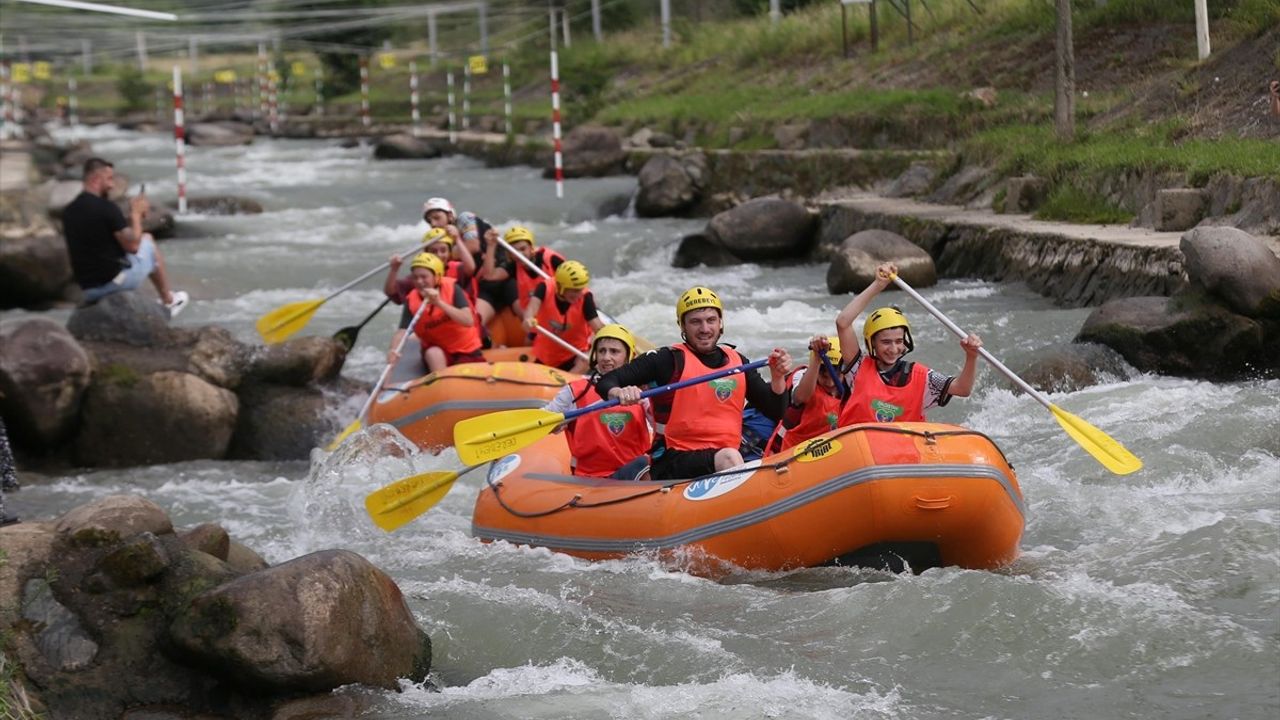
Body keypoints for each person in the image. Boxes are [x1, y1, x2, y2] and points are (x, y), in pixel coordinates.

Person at [595, 286, 792, 481]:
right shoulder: (665, 360)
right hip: (673, 459)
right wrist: (617, 392)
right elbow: (606, 381)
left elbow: (776, 412)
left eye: (711, 320)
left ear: (720, 323)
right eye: (695, 322)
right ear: (682, 326)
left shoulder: (738, 362)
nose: (705, 329)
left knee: (733, 456)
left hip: (724, 455)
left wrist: (777, 378)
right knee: (730, 458)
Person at [834, 263, 982, 426]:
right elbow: (843, 323)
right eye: (885, 342)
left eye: (898, 341)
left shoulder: (924, 377)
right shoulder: (857, 367)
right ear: (872, 343)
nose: (893, 349)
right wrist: (878, 285)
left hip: (903, 449)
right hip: (859, 446)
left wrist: (971, 356)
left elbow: (963, 389)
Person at [62, 157, 187, 316]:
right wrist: (135, 214)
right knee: (147, 240)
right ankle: (169, 300)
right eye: (109, 179)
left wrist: (132, 219)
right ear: (95, 178)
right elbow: (133, 246)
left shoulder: (69, 211)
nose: (112, 185)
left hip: (88, 289)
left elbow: (104, 237)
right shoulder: (106, 207)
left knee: (135, 243)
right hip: (113, 284)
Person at [542, 324, 652, 479]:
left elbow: (663, 427)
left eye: (614, 351)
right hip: (591, 480)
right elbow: (544, 419)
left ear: (629, 357)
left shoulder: (641, 391)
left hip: (633, 474)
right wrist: (552, 424)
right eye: (602, 351)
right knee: (643, 464)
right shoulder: (576, 391)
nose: (606, 357)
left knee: (650, 462)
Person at [422, 196, 515, 327]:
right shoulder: (443, 241)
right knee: (473, 321)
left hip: (502, 274)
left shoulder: (465, 218)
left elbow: (473, 246)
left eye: (437, 218)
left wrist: (445, 253)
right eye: (429, 221)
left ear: (449, 216)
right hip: (482, 286)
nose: (433, 224)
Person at [387, 253, 484, 372]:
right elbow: (402, 331)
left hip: (465, 348)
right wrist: (393, 350)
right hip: (438, 350)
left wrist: (439, 303)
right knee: (433, 353)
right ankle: (442, 384)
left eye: (424, 277)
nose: (419, 281)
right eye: (415, 277)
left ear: (437, 277)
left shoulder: (453, 288)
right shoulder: (411, 299)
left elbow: (468, 320)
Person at [523, 259, 604, 374]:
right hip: (547, 353)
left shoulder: (585, 298)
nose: (578, 294)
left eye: (580, 289)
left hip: (575, 353)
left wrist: (596, 349)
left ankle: (566, 388)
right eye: (574, 290)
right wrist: (528, 319)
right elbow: (531, 309)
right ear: (560, 287)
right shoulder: (544, 288)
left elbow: (598, 327)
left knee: (584, 362)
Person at [769, 335, 848, 452]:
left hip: (827, 451)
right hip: (790, 452)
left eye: (835, 376)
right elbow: (801, 397)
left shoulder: (850, 387)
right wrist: (817, 357)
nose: (830, 383)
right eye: (824, 376)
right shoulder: (801, 376)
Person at [385, 226, 476, 304]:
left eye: (443, 250)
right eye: (433, 251)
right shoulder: (419, 276)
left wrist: (457, 239)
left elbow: (471, 268)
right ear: (426, 253)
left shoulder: (456, 268)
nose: (439, 255)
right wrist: (394, 269)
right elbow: (391, 291)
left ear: (449, 252)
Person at [502, 226, 565, 314]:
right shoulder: (513, 266)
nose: (519, 255)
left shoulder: (551, 259)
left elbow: (575, 285)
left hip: (561, 306)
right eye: (514, 251)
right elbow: (491, 276)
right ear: (509, 254)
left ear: (531, 248)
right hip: (538, 313)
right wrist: (491, 245)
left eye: (523, 249)